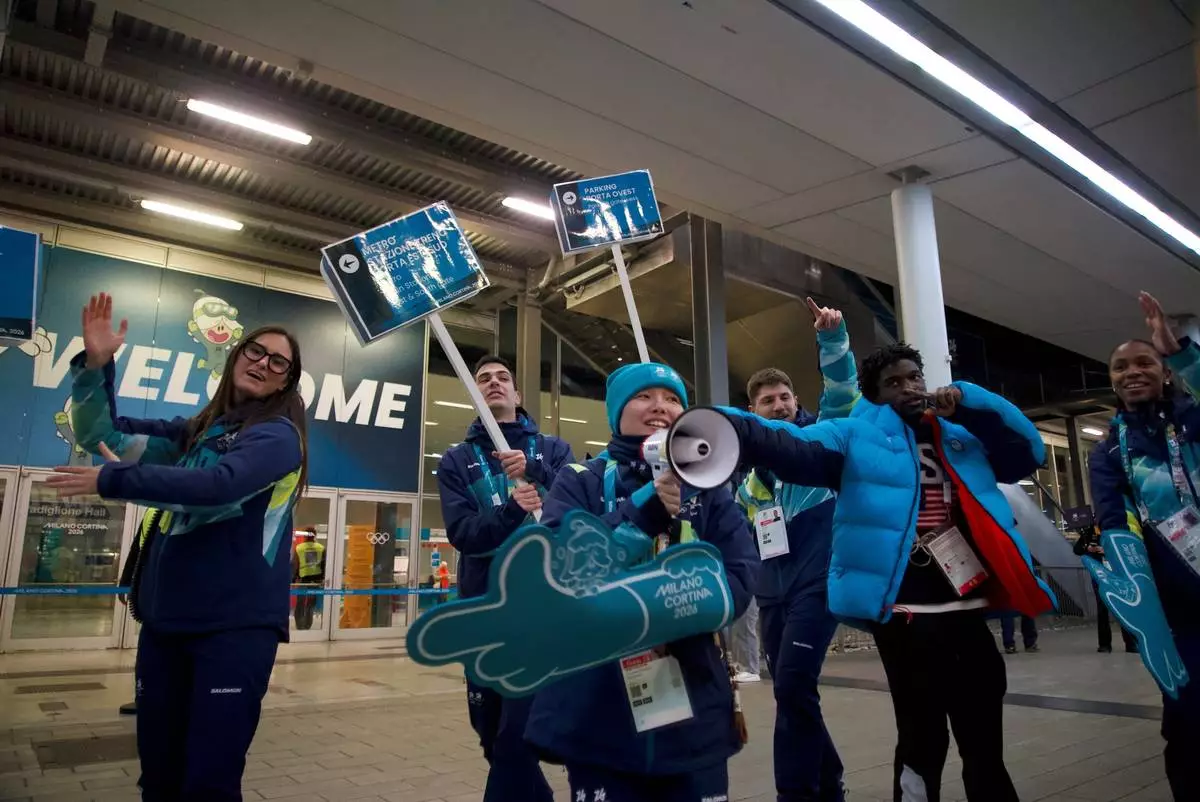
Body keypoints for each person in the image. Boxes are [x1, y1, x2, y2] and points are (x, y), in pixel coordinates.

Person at [714, 342, 1056, 802]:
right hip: (905, 613)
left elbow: (1026, 451)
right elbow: (789, 444)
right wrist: (721, 423)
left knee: (984, 740)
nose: (909, 387)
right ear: (875, 396)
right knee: (921, 739)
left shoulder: (958, 434)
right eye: (892, 383)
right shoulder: (854, 436)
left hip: (967, 604)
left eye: (914, 376)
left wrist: (971, 401)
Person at [48, 293, 307, 802]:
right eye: (257, 351)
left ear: (285, 381)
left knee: (207, 783)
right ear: (237, 356)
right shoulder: (194, 433)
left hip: (233, 631)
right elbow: (100, 433)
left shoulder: (277, 438)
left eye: (279, 362)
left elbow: (217, 490)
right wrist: (97, 366)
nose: (264, 363)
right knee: (160, 777)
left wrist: (112, 482)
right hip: (167, 626)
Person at [525, 362, 759, 802]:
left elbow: (742, 572)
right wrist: (642, 510)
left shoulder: (708, 486)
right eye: (644, 396)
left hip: (693, 699)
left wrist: (679, 607)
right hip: (601, 704)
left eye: (673, 399)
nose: (661, 407)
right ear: (616, 412)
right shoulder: (580, 481)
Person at [735, 297, 859, 802]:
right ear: (753, 412)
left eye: (785, 397)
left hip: (818, 584)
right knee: (795, 692)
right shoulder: (746, 478)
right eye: (768, 401)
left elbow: (843, 397)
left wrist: (832, 340)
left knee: (791, 685)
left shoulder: (819, 441)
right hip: (772, 595)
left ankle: (797, 793)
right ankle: (830, 780)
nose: (781, 405)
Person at [437, 354, 574, 802]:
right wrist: (513, 508)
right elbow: (463, 535)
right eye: (483, 380)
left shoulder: (553, 450)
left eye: (502, 378)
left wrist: (536, 474)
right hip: (483, 611)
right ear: (475, 395)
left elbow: (578, 513)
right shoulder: (457, 460)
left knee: (518, 731)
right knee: (490, 733)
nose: (494, 383)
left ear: (516, 393)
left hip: (543, 610)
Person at [1087, 291, 1200, 800]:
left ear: (1165, 371)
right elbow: (1115, 524)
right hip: (1179, 614)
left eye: (1144, 362)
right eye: (1119, 367)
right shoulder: (1110, 448)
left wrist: (1182, 353)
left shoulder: (1194, 421)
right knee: (1188, 718)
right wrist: (1144, 618)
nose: (1131, 372)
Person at [1072, 526, 1137, 653]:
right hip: (1100, 575)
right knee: (1102, 608)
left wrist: (1106, 550)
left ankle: (1130, 643)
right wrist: (1088, 549)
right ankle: (1105, 644)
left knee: (1123, 607)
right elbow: (1077, 549)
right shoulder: (1089, 532)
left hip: (1117, 574)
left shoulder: (1115, 529)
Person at [291, 527, 325, 630]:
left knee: (300, 602)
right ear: (315, 535)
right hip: (316, 580)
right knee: (310, 604)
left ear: (305, 535)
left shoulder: (299, 548)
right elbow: (324, 565)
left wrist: (293, 578)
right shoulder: (321, 548)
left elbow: (295, 564)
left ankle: (299, 625)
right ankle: (307, 625)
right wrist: (323, 578)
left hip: (303, 580)